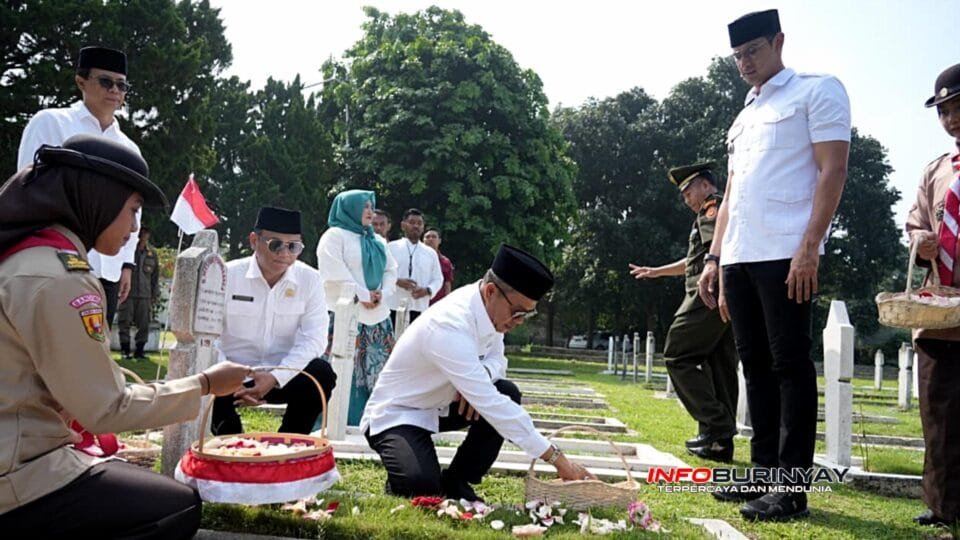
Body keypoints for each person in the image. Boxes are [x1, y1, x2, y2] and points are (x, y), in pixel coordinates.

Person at [0, 134, 250, 537]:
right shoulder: (59, 278)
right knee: (173, 507)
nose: (135, 228)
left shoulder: (20, 255)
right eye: (132, 210)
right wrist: (205, 383)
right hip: (16, 472)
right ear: (98, 198)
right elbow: (105, 408)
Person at [697, 9, 851, 521]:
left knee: (790, 366)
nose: (745, 63)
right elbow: (735, 193)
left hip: (787, 252)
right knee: (754, 367)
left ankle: (791, 486)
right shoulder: (742, 114)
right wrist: (714, 258)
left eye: (753, 51)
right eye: (738, 56)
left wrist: (811, 245)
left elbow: (833, 169)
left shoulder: (817, 90)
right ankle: (762, 475)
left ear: (779, 41)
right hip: (740, 254)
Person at [362, 244, 596, 501]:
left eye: (526, 315)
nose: (518, 322)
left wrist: (476, 379)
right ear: (491, 291)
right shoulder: (449, 324)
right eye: (517, 312)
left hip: (443, 404)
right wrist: (558, 459)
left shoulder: (490, 310)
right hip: (399, 413)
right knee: (423, 487)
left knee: (507, 391)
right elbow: (492, 404)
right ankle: (405, 472)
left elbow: (498, 360)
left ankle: (458, 479)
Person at [17, 46, 142, 329]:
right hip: (54, 265)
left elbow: (134, 212)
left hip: (105, 271)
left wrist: (127, 265)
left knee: (92, 358)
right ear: (81, 81)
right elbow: (28, 189)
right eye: (106, 81)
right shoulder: (50, 123)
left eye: (121, 85)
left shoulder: (129, 148)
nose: (114, 90)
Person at [629, 162, 738, 462]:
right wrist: (656, 272)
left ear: (705, 185)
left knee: (677, 355)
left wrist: (721, 289)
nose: (686, 199)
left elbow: (718, 254)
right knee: (720, 366)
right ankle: (719, 444)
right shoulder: (714, 212)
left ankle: (717, 425)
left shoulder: (712, 209)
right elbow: (694, 260)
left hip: (707, 296)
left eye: (688, 191)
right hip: (722, 295)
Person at [212, 207, 337, 436]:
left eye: (293, 246)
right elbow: (210, 338)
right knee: (206, 377)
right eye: (275, 244)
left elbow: (314, 339)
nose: (284, 253)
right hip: (229, 376)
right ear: (254, 240)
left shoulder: (310, 279)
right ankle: (227, 439)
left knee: (321, 373)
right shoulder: (226, 275)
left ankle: (290, 442)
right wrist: (229, 377)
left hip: (281, 376)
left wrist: (274, 377)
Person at [904, 62, 960, 528]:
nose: (952, 119)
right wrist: (920, 240)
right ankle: (943, 507)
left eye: (959, 107)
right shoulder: (936, 171)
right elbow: (916, 222)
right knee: (938, 416)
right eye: (944, 111)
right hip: (941, 315)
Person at [315, 189, 398, 425]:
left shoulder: (377, 240)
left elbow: (391, 270)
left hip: (377, 317)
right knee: (342, 371)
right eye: (365, 207)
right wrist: (362, 294)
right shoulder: (334, 236)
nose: (370, 213)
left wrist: (383, 294)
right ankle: (335, 422)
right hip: (344, 314)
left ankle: (374, 423)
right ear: (349, 208)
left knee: (377, 371)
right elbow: (333, 271)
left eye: (372, 207)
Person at [386, 208, 443, 324]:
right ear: (403, 225)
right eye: (412, 222)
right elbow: (382, 272)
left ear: (423, 227)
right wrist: (397, 281)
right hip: (393, 305)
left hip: (419, 306)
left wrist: (427, 290)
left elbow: (438, 278)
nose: (416, 226)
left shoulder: (430, 253)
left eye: (419, 223)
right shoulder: (391, 247)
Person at [117, 226, 160, 359]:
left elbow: (154, 277)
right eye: (142, 234)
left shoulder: (152, 254)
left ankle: (140, 351)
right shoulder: (129, 252)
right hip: (128, 293)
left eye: (146, 234)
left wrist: (154, 294)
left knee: (144, 324)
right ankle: (125, 351)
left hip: (144, 295)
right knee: (124, 322)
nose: (144, 237)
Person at [424, 228, 454, 305]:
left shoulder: (445, 262)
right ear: (423, 240)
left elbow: (447, 284)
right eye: (427, 237)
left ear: (439, 240)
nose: (430, 239)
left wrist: (447, 302)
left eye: (434, 237)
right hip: (419, 302)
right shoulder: (415, 259)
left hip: (437, 303)